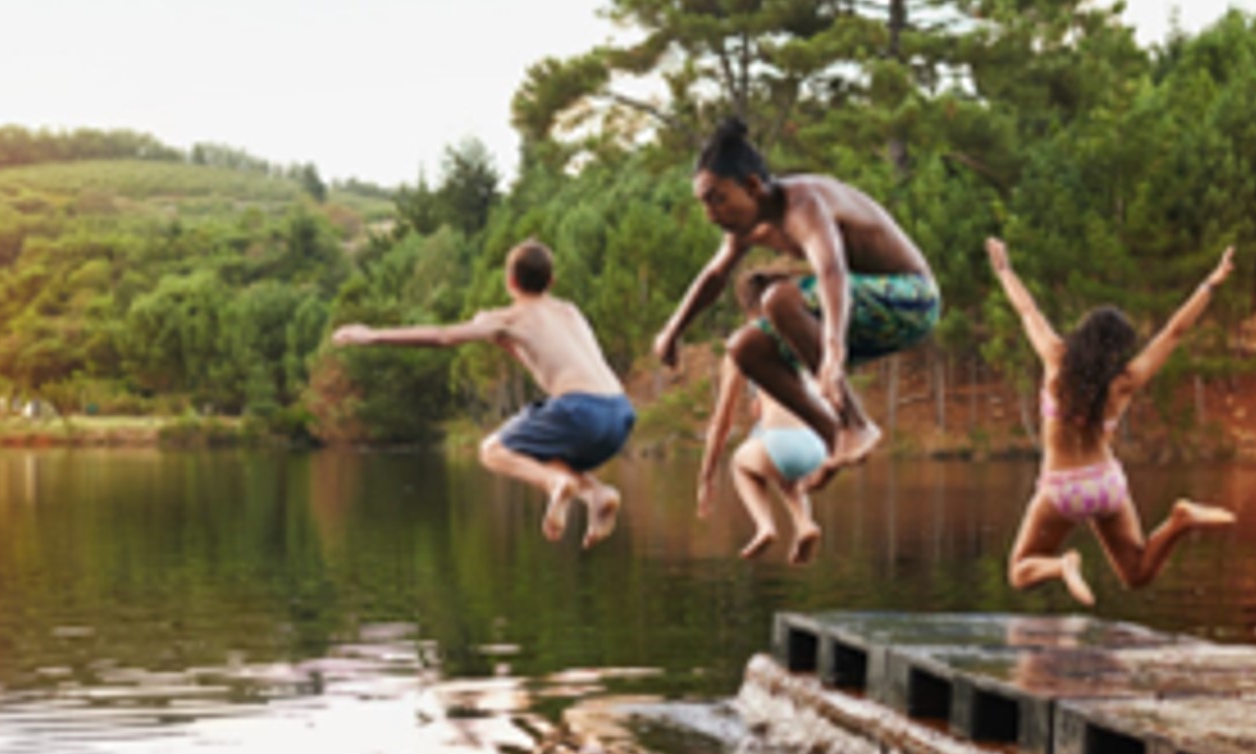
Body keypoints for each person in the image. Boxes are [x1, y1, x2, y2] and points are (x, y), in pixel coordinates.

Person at [654, 117, 941, 490]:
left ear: (753, 186)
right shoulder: (747, 226)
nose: (711, 214)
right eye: (703, 203)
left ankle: (855, 423)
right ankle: (835, 436)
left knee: (780, 299)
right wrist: (673, 330)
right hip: (865, 311)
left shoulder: (803, 203)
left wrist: (833, 352)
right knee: (745, 348)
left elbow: (831, 270)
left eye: (717, 199)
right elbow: (714, 276)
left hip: (913, 299)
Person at [333, 239, 634, 549]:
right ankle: (596, 494)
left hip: (581, 409)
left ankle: (555, 483)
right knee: (543, 453)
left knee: (493, 450)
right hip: (620, 413)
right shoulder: (570, 312)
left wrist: (373, 335)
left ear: (510, 281)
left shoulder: (507, 319)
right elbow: (550, 363)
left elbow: (443, 336)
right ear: (552, 282)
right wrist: (504, 342)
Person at [986, 237, 1239, 605]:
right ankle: (1179, 522)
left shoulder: (1056, 360)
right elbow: (1174, 332)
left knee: (1020, 570)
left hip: (1061, 490)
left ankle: (1062, 567)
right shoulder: (1125, 381)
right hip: (1105, 484)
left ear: (1084, 334)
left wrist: (1004, 270)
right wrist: (1211, 283)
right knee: (1135, 573)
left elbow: (1028, 311)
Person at [699, 267, 827, 564]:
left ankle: (764, 526)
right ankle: (804, 524)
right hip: (819, 444)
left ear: (748, 309)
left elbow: (722, 422)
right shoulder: (800, 336)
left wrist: (706, 476)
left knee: (741, 464)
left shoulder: (742, 345)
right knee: (780, 467)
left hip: (784, 443)